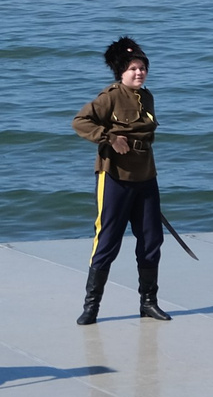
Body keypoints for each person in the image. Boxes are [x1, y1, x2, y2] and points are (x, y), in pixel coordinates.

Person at [71, 36, 166, 325]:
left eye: (142, 68)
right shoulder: (110, 96)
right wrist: (109, 138)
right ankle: (91, 306)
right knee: (108, 240)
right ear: (121, 72)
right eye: (133, 68)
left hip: (146, 176)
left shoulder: (147, 97)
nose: (139, 73)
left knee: (151, 239)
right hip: (115, 176)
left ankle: (148, 303)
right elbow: (80, 122)